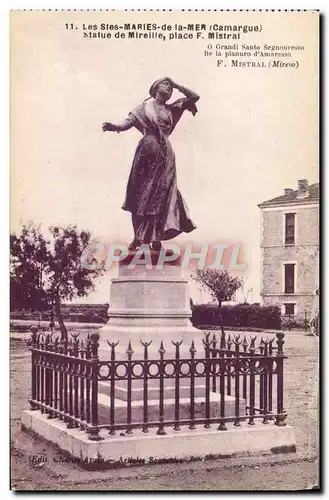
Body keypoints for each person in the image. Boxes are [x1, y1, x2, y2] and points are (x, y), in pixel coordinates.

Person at [102, 77, 199, 251]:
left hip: (165, 156)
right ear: (155, 88)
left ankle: (156, 239)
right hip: (146, 153)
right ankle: (138, 236)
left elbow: (194, 97)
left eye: (171, 87)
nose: (169, 88)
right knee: (139, 195)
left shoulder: (172, 110)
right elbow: (127, 123)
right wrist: (114, 126)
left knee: (160, 195)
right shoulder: (144, 108)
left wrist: (177, 85)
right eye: (166, 85)